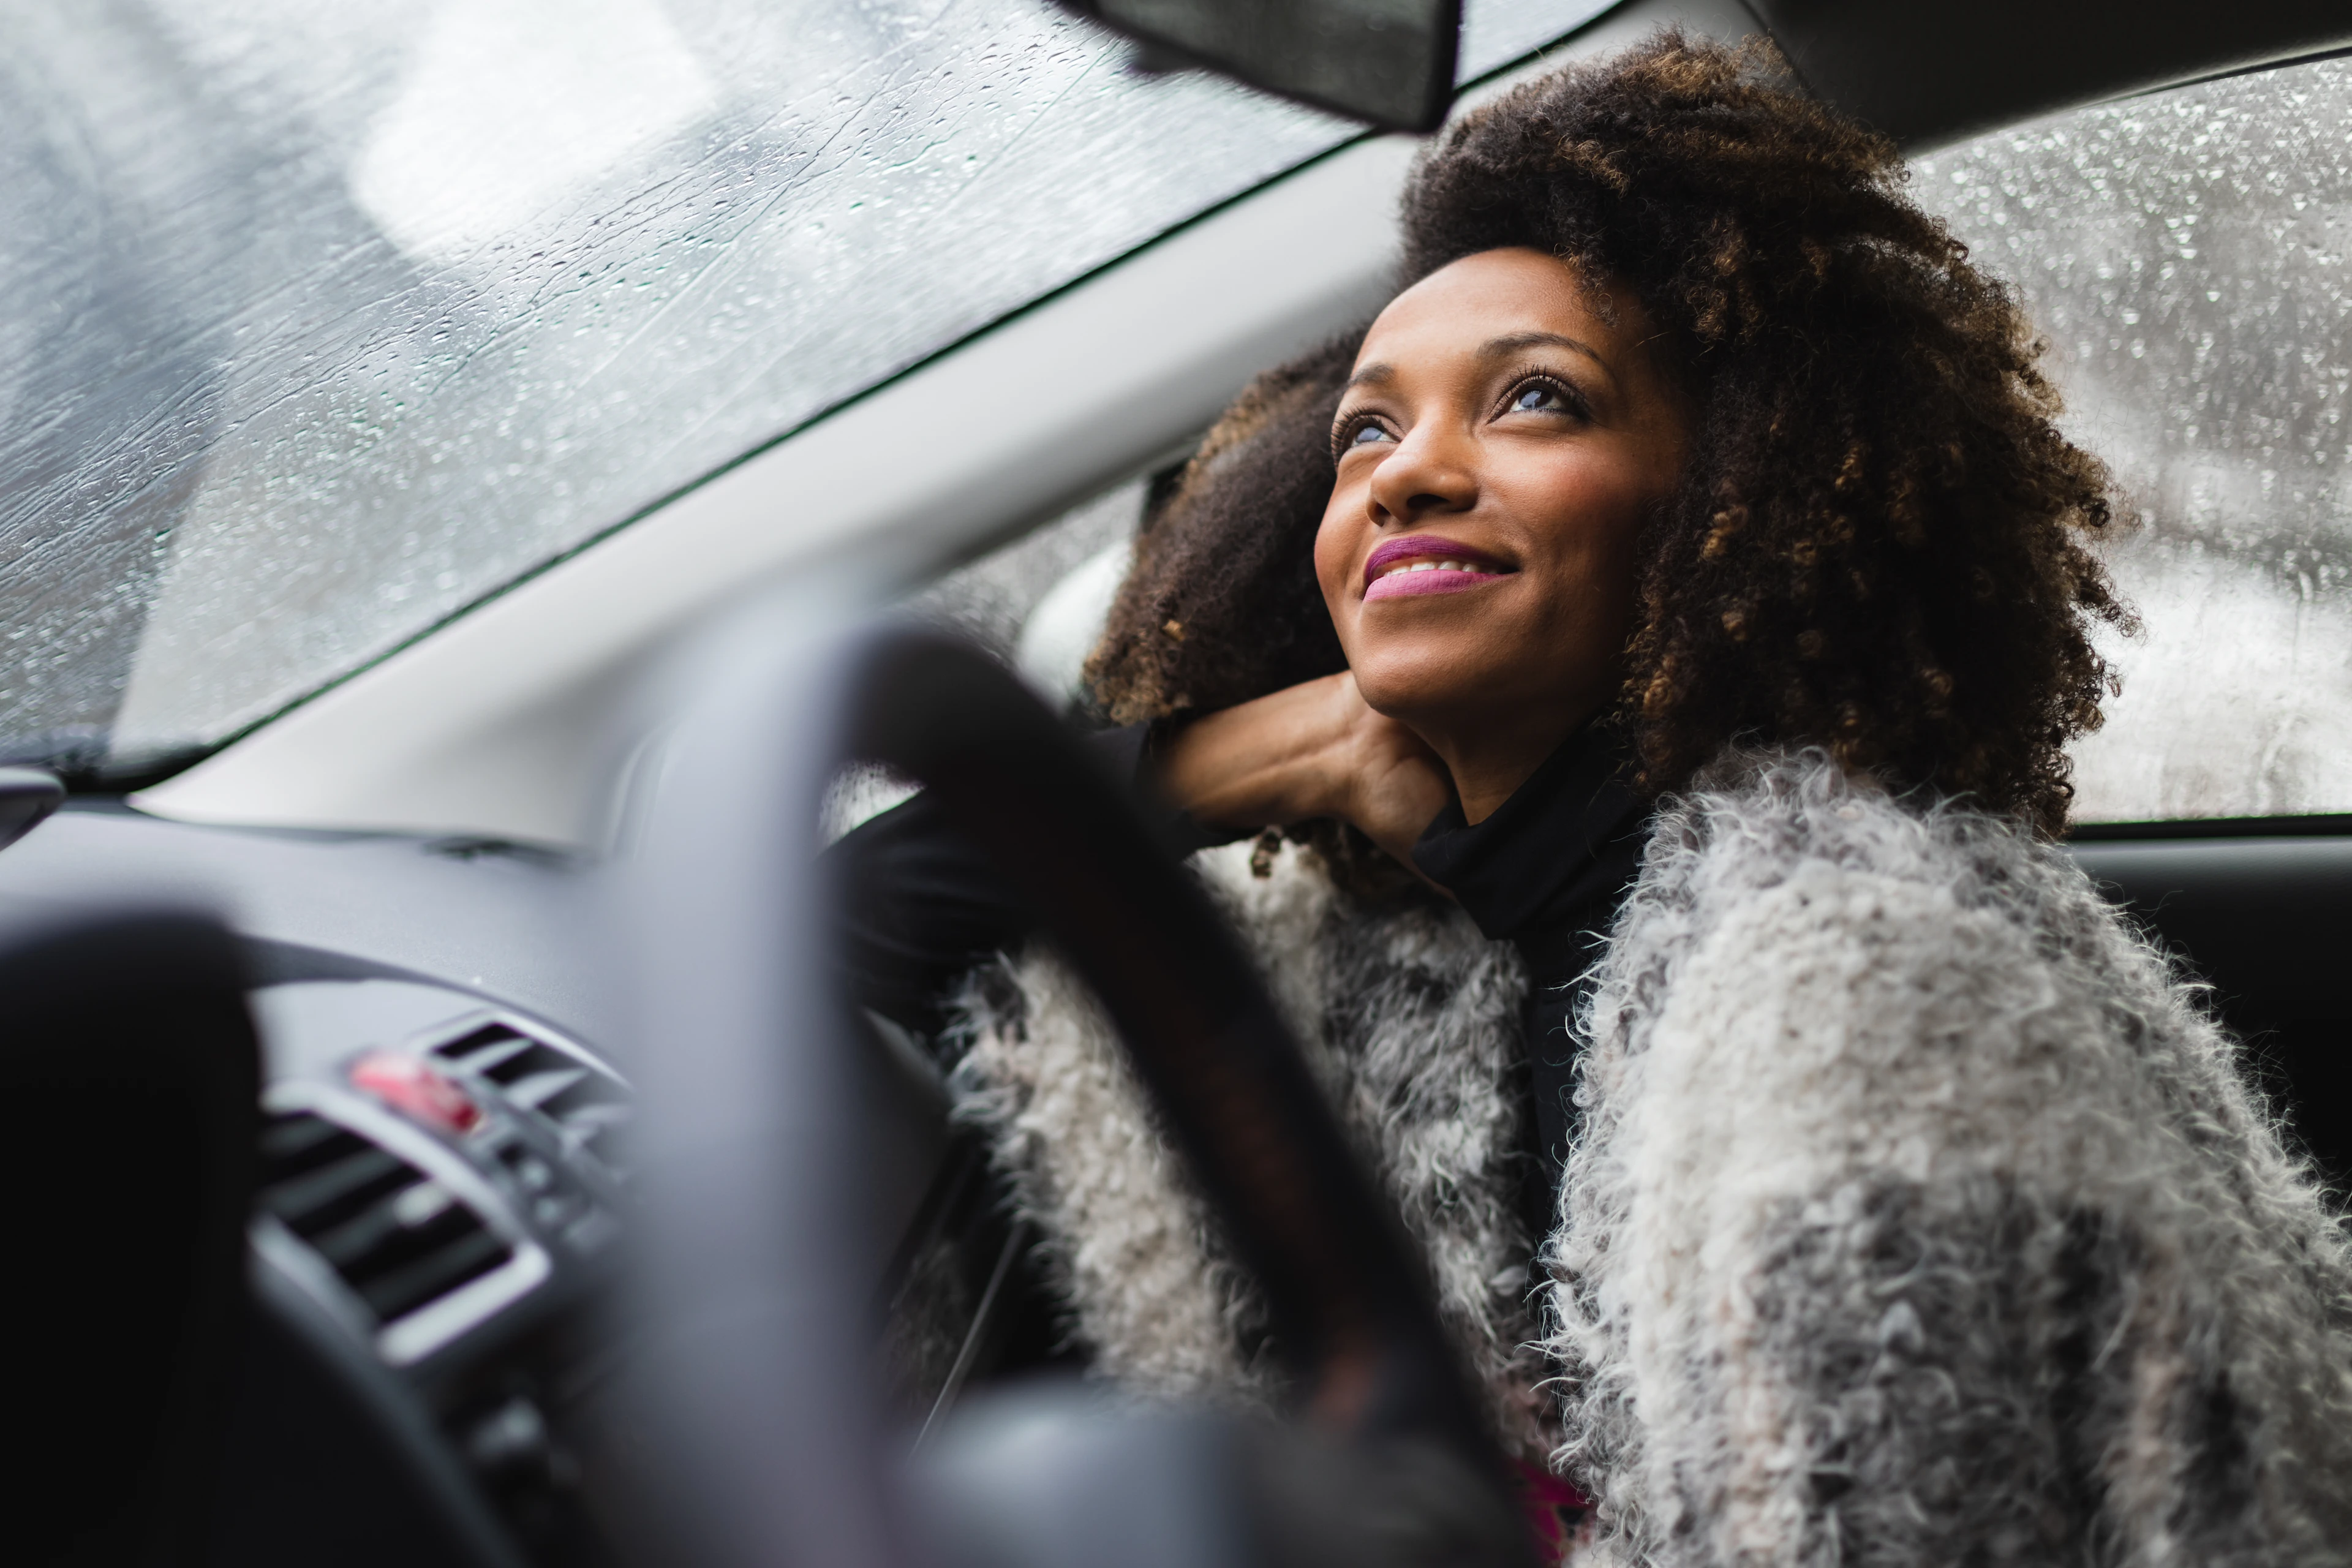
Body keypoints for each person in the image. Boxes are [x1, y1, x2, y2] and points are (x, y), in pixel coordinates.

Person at [835, 31, 2352, 1564]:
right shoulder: (1426, 914)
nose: (1406, 474)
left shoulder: (1846, 981)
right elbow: (824, 937)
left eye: (1538, 400)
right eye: (1368, 425)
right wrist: (1292, 746)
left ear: (1734, 501)